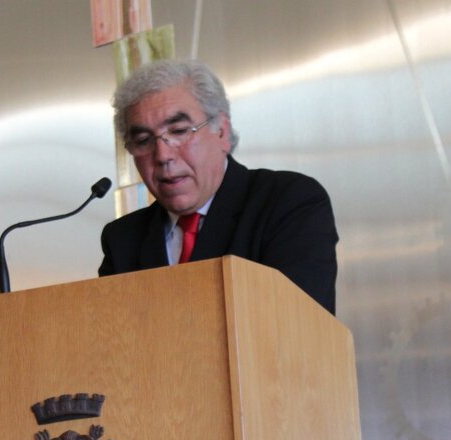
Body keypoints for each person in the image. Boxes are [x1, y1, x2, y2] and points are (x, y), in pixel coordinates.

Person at [98, 59, 339, 314]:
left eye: (178, 131)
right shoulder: (123, 239)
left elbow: (296, 322)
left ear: (222, 131)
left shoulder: (289, 202)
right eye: (143, 141)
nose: (162, 155)